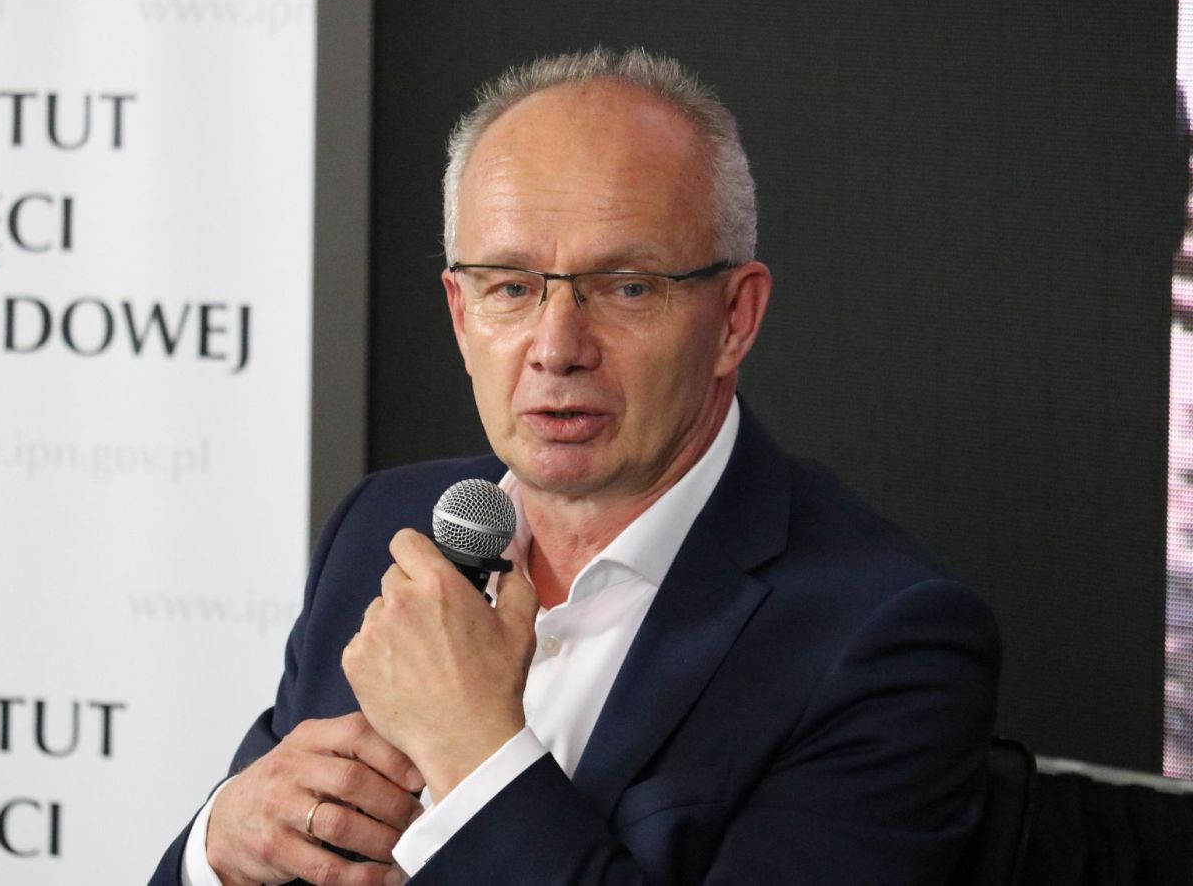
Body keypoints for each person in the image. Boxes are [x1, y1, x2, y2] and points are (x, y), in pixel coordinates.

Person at [150, 47, 1001, 886]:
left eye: (627, 286)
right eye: (510, 287)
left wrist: (475, 753)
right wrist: (219, 844)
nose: (557, 348)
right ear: (460, 313)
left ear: (734, 319)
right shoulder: (381, 525)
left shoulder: (885, 638)